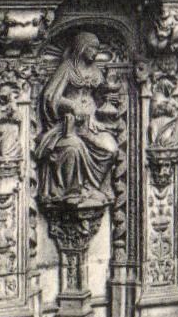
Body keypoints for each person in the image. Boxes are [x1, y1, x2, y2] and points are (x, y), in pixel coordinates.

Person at [37, 31, 118, 206]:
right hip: (70, 124)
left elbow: (101, 97)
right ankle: (72, 191)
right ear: (81, 48)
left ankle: (93, 187)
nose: (94, 52)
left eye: (97, 49)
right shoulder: (68, 68)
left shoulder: (96, 70)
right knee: (73, 147)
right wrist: (72, 105)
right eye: (91, 48)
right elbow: (51, 96)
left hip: (92, 122)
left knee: (111, 148)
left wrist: (106, 93)